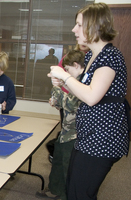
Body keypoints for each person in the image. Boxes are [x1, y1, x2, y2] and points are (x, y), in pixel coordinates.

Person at [48, 3, 129, 199]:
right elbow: (86, 89)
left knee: (80, 194)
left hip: (102, 140)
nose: (73, 29)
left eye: (78, 25)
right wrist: (65, 82)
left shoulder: (109, 56)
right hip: (87, 136)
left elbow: (92, 97)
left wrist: (66, 77)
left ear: (95, 26)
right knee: (74, 189)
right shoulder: (93, 55)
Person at [37, 50, 85, 200]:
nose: (67, 73)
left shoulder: (84, 82)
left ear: (76, 65)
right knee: (58, 159)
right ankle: (54, 188)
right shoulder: (76, 81)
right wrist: (59, 89)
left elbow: (71, 104)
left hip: (75, 135)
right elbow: (64, 102)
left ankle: (65, 195)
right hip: (66, 131)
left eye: (68, 70)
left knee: (67, 166)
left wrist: (57, 88)